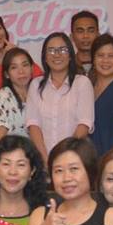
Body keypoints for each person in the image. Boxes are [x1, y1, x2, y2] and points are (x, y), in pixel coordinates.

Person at [25, 32, 94, 163]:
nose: (57, 55)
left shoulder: (82, 83)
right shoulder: (36, 85)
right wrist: (46, 160)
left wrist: (65, 158)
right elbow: (33, 124)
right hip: (43, 160)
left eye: (62, 50)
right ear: (45, 57)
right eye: (51, 50)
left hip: (74, 158)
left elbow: (84, 124)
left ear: (70, 55)